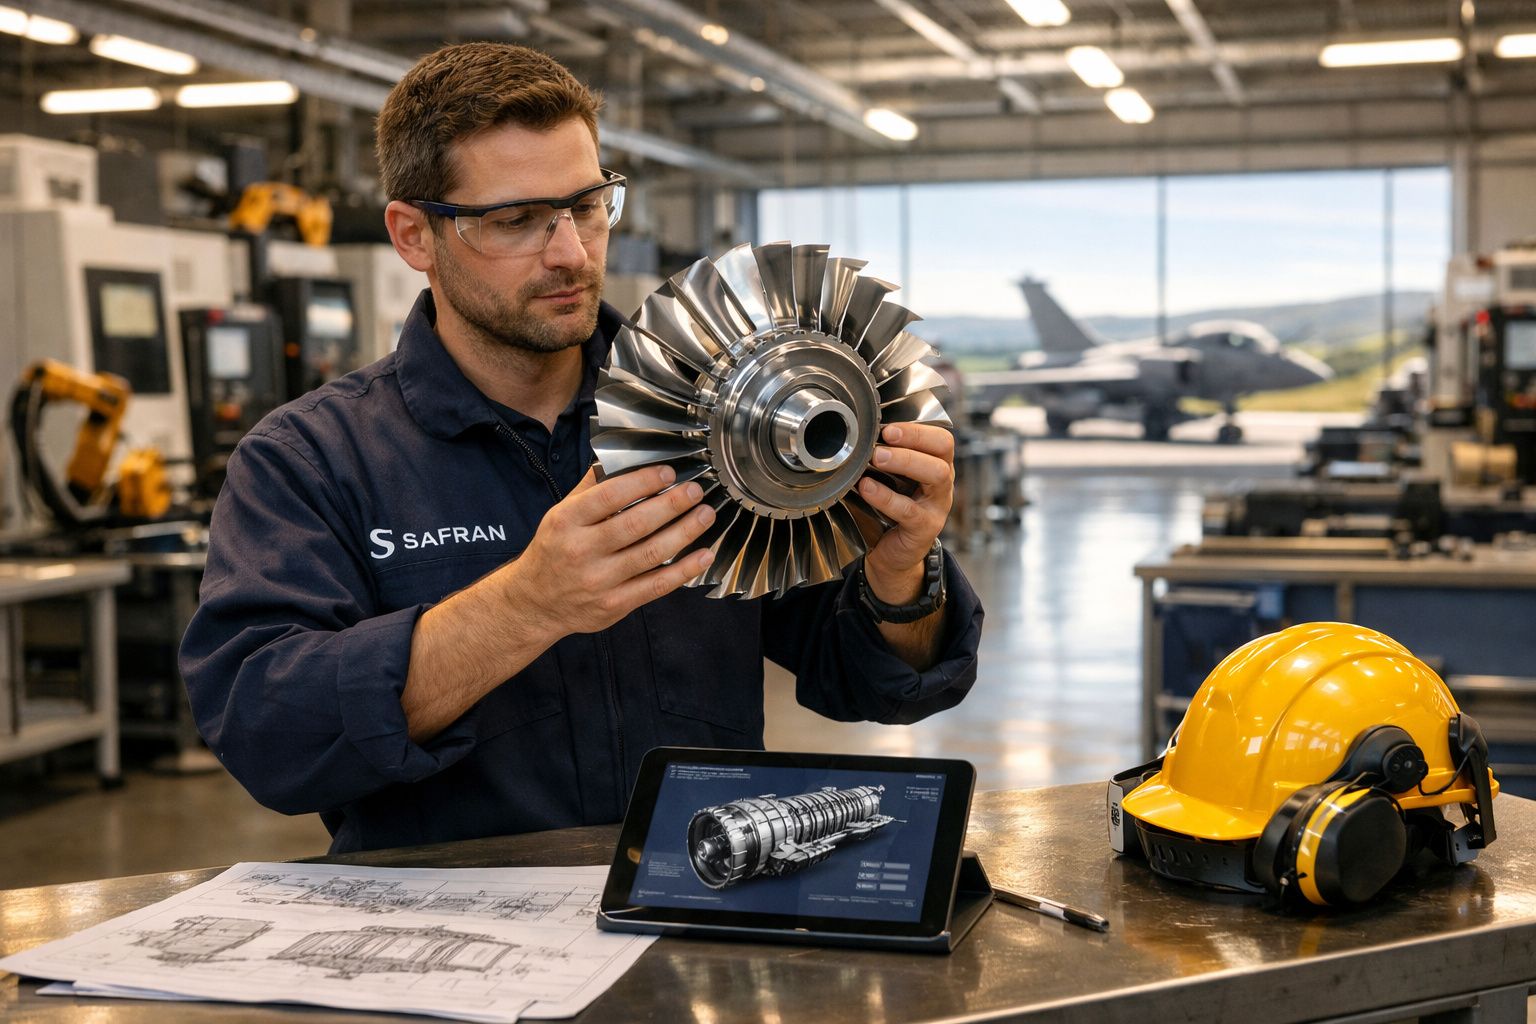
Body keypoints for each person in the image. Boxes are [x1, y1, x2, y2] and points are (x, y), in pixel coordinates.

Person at [180, 42, 983, 855]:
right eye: (515, 220)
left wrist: (899, 573)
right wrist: (525, 606)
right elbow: (267, 731)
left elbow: (870, 682)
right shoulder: (311, 460)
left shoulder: (717, 423)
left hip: (696, 904)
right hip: (448, 945)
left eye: (588, 206)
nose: (570, 252)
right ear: (414, 234)